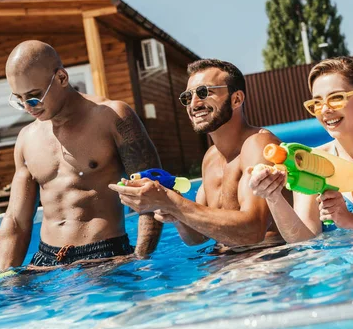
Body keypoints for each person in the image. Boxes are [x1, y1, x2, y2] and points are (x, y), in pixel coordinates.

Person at [0, 40, 163, 270]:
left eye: (34, 96)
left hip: (105, 256)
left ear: (62, 78)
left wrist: (141, 259)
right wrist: (4, 281)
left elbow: (153, 192)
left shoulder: (111, 117)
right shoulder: (26, 138)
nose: (28, 107)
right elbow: (16, 221)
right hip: (46, 261)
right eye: (19, 99)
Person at [109, 59, 291, 251]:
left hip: (269, 261)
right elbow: (198, 237)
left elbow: (254, 232)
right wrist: (175, 214)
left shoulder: (258, 145)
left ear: (236, 99)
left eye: (205, 92)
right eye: (187, 97)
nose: (194, 104)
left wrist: (170, 201)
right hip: (228, 263)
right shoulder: (211, 157)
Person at [248, 57, 353, 243]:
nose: (325, 110)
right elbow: (304, 242)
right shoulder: (307, 162)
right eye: (317, 103)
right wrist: (273, 196)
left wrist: (348, 219)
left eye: (336, 98)